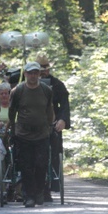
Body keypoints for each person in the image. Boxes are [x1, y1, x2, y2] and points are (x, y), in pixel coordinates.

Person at [7, 62, 54, 207]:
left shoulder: (46, 90)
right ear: (25, 74)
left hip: (41, 134)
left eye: (35, 73)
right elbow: (12, 111)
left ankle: (39, 190)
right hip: (23, 134)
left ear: (39, 74)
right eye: (30, 73)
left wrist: (50, 127)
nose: (33, 75)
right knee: (26, 166)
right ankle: (29, 196)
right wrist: (13, 130)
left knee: (41, 164)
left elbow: (49, 110)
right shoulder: (18, 91)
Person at [36, 52, 71, 201]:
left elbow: (64, 105)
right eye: (40, 67)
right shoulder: (28, 85)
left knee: (54, 155)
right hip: (34, 126)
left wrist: (62, 120)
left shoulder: (57, 85)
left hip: (52, 126)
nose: (43, 70)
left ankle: (50, 186)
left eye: (45, 67)